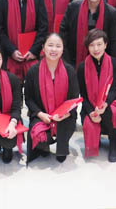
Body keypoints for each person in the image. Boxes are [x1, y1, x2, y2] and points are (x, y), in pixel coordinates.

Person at [25, 33, 79, 163]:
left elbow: (74, 98)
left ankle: (62, 145)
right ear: (43, 48)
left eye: (58, 46)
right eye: (50, 45)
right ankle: (43, 146)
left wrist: (65, 114)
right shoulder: (33, 71)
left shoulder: (70, 71)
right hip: (41, 115)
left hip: (65, 116)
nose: (54, 49)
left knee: (61, 157)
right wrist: (41, 114)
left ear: (63, 49)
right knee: (40, 135)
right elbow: (29, 99)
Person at [0, 0, 48, 81]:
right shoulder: (2, 0)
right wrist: (12, 50)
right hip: (9, 55)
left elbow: (43, 27)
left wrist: (33, 50)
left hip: (32, 55)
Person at [77, 29, 116, 162]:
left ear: (105, 45)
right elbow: (83, 94)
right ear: (87, 47)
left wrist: (105, 104)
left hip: (111, 101)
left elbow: (114, 89)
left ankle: (114, 142)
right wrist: (91, 111)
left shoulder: (115, 63)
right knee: (89, 121)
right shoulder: (82, 67)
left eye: (99, 44)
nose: (96, 49)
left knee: (111, 112)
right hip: (90, 105)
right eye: (92, 45)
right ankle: (95, 140)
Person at [60, 0, 116, 67]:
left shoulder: (112, 12)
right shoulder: (73, 7)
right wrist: (66, 60)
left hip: (101, 62)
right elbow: (63, 34)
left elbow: (114, 42)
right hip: (73, 61)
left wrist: (111, 65)